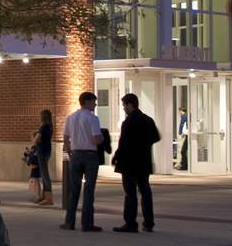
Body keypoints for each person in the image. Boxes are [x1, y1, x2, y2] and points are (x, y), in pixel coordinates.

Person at [113, 92, 161, 233]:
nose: (124, 109)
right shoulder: (148, 120)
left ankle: (130, 223)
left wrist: (116, 157)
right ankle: (149, 222)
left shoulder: (128, 122)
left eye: (124, 105)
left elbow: (123, 143)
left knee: (130, 193)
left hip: (129, 163)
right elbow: (155, 137)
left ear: (130, 104)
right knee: (145, 191)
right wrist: (144, 145)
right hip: (144, 162)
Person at [61, 91, 104, 231]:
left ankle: (69, 222)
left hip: (76, 155)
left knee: (74, 190)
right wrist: (103, 138)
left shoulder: (71, 117)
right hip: (90, 155)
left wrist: (69, 152)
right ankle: (87, 223)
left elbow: (66, 137)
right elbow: (95, 139)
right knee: (89, 190)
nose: (95, 104)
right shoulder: (93, 118)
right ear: (86, 102)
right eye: (93, 101)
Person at [31, 108, 55, 205]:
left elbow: (36, 140)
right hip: (47, 151)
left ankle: (48, 198)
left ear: (43, 117)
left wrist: (33, 136)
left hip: (42, 152)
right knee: (44, 173)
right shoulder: (49, 127)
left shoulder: (43, 127)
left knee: (45, 175)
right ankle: (44, 196)